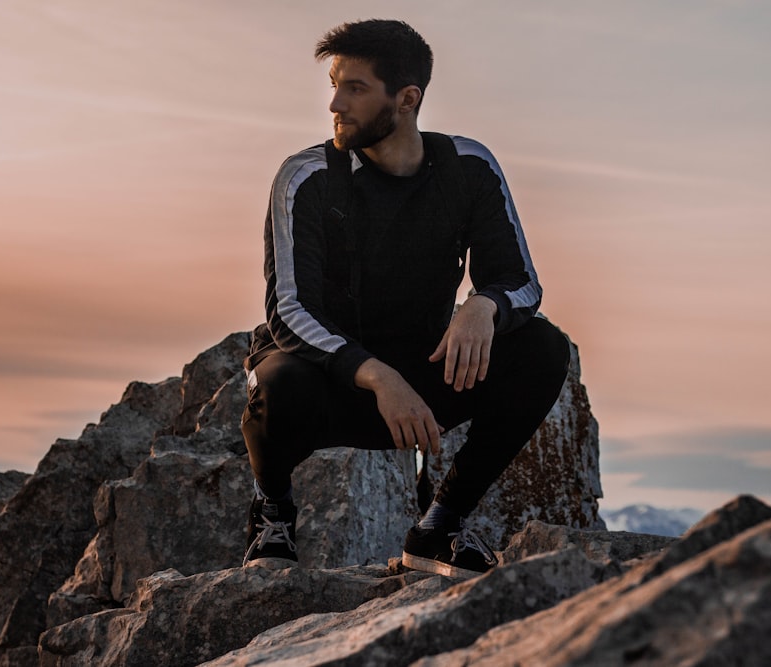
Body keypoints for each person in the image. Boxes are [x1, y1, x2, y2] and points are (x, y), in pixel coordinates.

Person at [241, 19, 570, 577]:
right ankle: (273, 516)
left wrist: (482, 305)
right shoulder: (306, 177)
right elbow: (288, 311)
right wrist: (376, 375)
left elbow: (521, 282)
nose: (334, 104)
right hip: (332, 382)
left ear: (407, 99)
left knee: (543, 348)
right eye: (334, 85)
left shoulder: (468, 168)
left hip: (426, 381)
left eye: (355, 87)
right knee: (277, 381)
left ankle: (439, 526)